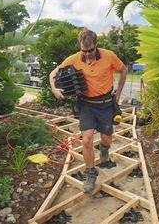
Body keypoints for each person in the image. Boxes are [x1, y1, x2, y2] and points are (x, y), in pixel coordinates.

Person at [49, 28, 127, 193]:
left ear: (96, 45)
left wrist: (118, 94)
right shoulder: (75, 58)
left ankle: (104, 150)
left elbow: (123, 70)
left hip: (106, 104)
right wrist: (54, 89)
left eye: (91, 50)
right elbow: (53, 73)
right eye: (84, 51)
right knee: (87, 139)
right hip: (86, 104)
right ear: (80, 47)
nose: (88, 54)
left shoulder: (109, 55)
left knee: (106, 139)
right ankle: (90, 173)